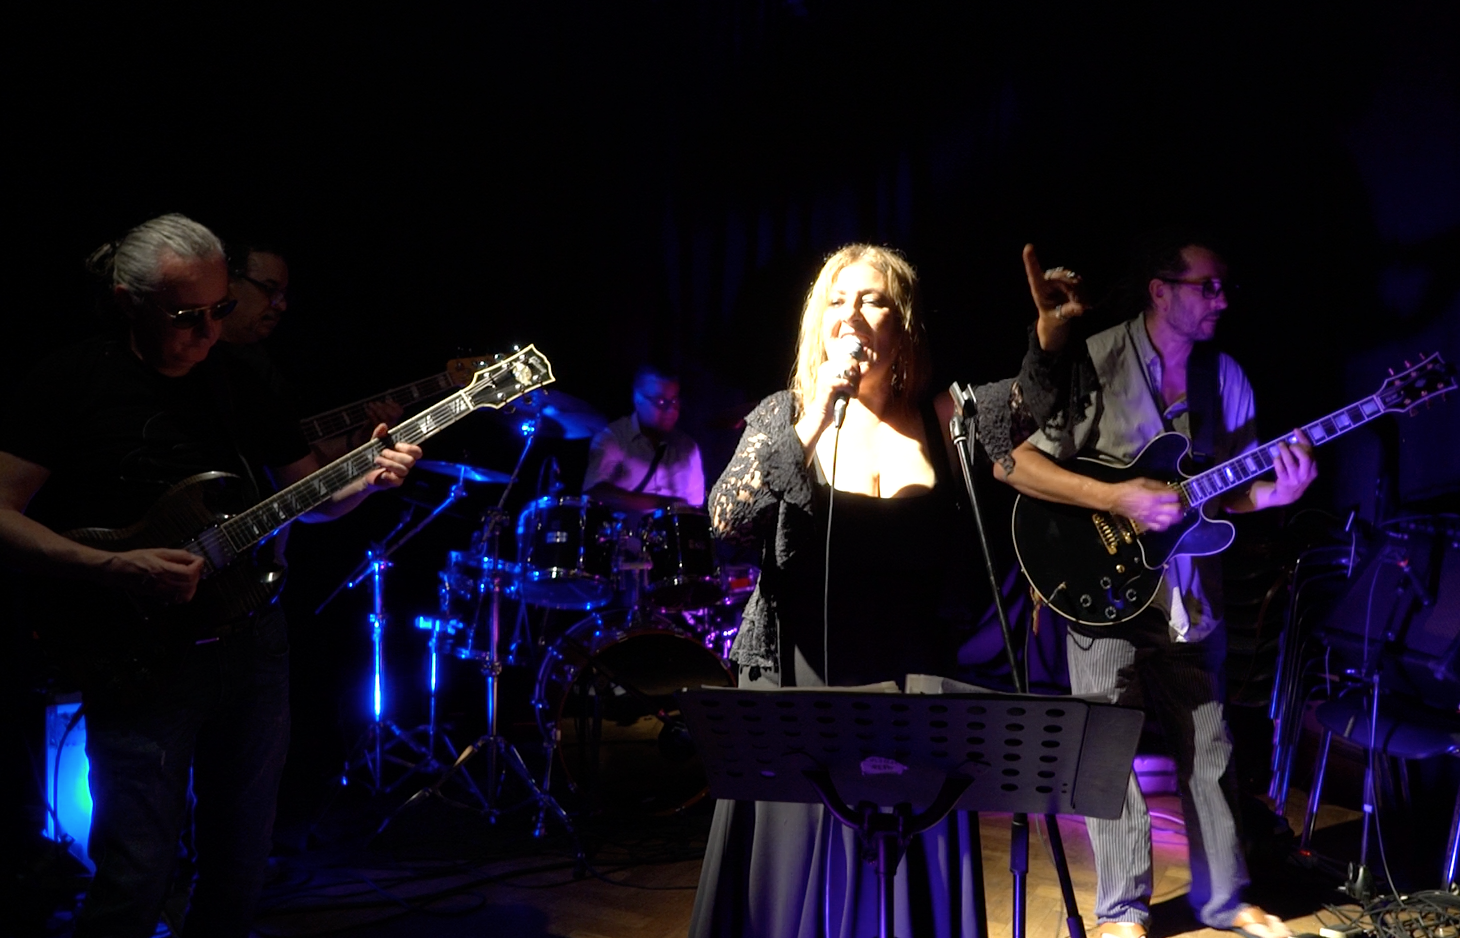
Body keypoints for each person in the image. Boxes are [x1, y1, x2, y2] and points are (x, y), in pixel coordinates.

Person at [0, 214, 421, 938]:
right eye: (186, 315)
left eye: (221, 309)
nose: (207, 331)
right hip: (136, 655)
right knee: (136, 872)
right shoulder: (71, 380)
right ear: (128, 301)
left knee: (240, 866)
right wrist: (114, 566)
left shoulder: (242, 375)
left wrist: (366, 482)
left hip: (250, 643)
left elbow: (308, 500)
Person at [688, 243, 1088, 938]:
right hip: (802, 681)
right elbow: (725, 519)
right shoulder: (784, 416)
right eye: (837, 301)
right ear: (818, 323)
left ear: (902, 327)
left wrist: (1049, 339)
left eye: (872, 301)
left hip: (911, 689)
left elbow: (1034, 403)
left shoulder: (944, 418)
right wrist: (814, 418)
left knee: (903, 892)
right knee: (791, 894)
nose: (851, 315)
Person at [994, 231, 1316, 938]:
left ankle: (1224, 900)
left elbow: (1229, 492)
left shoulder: (1225, 378)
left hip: (1188, 595)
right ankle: (1122, 913)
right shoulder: (1095, 359)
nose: (1222, 299)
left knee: (1210, 746)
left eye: (1226, 287)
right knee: (1106, 747)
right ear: (1161, 291)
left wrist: (1276, 495)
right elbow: (1014, 465)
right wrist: (1117, 497)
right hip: (1101, 587)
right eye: (1208, 286)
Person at [222, 242, 402, 461]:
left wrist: (359, 440)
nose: (281, 305)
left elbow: (290, 460)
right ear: (228, 282)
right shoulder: (197, 360)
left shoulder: (261, 366)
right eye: (269, 289)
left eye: (282, 294)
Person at [583, 363, 705, 516]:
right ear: (638, 399)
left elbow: (695, 507)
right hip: (624, 530)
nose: (671, 410)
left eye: (674, 401)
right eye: (661, 402)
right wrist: (662, 503)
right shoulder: (614, 437)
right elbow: (595, 491)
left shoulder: (688, 447)